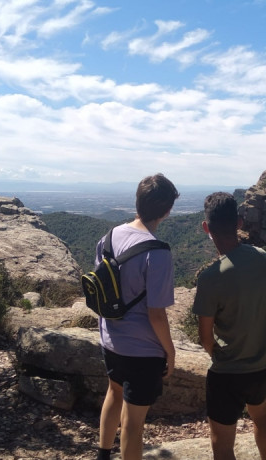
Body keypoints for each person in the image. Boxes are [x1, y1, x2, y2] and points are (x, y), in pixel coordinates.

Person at [96, 173, 179, 460]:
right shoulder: (158, 253)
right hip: (143, 350)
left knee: (113, 392)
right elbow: (156, 313)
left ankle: (103, 455)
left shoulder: (108, 237)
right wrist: (170, 351)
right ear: (167, 211)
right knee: (133, 422)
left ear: (138, 201)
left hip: (110, 339)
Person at [192, 192, 266, 460]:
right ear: (239, 222)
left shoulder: (210, 278)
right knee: (260, 416)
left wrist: (219, 354)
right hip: (263, 365)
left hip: (227, 372)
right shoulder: (263, 257)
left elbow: (205, 337)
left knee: (222, 441)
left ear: (206, 228)